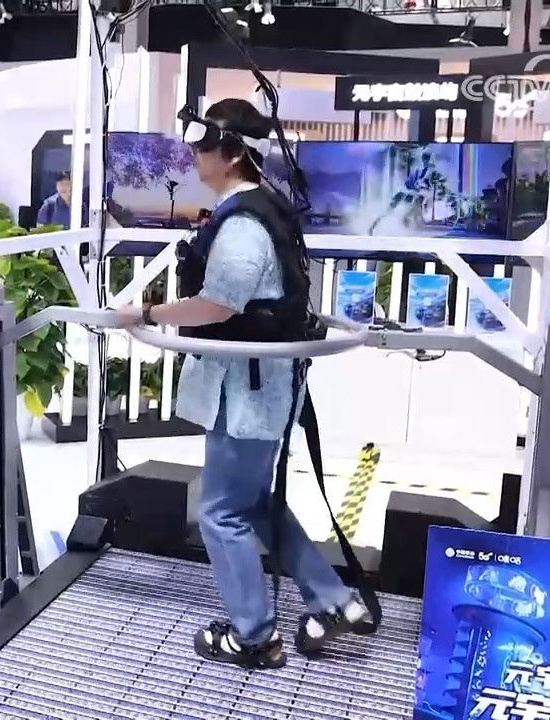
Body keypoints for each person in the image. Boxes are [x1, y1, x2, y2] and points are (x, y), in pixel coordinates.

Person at [116, 98, 371, 668]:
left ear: (231, 155)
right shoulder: (266, 209)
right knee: (254, 503)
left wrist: (148, 313)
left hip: (247, 393)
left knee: (221, 513)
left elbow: (218, 304)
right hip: (265, 386)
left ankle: (254, 636)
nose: (193, 156)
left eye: (202, 146)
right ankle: (335, 602)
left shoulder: (241, 225)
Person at [368, 150, 433, 235]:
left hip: (408, 194)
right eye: (427, 159)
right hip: (406, 193)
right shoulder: (422, 170)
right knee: (391, 211)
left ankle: (374, 226)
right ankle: (373, 226)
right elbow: (416, 183)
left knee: (399, 211)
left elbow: (417, 184)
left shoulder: (422, 170)